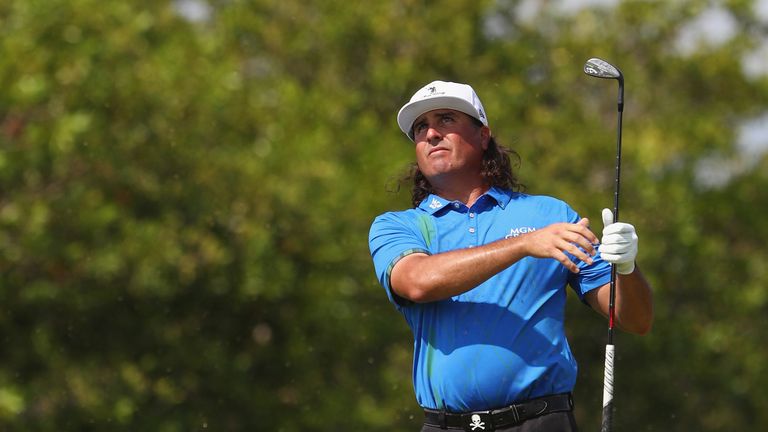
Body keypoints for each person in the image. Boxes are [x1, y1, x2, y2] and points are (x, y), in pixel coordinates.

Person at [368, 80, 653, 432]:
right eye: (420, 127)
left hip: (542, 422)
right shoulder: (398, 226)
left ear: (483, 135)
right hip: (446, 426)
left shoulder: (550, 216)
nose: (430, 134)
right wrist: (522, 245)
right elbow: (417, 282)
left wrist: (626, 267)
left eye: (445, 120)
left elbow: (635, 319)